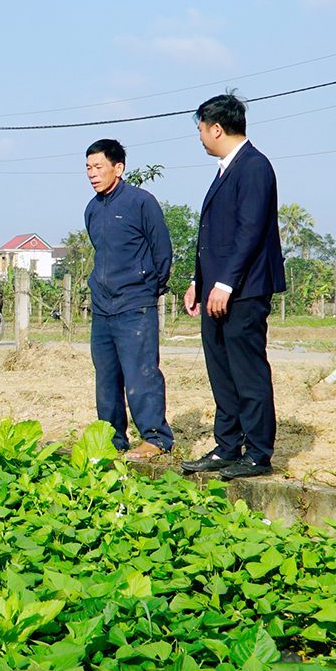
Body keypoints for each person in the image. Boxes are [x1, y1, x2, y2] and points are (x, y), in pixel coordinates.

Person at [181, 93, 285, 479]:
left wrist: (225, 283)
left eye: (200, 129)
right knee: (221, 370)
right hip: (217, 289)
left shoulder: (254, 167)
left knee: (247, 370)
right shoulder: (227, 169)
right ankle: (227, 446)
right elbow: (214, 235)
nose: (199, 137)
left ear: (216, 129)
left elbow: (249, 231)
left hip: (244, 289)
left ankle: (258, 454)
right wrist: (199, 281)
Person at [82, 138, 173, 460]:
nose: (92, 174)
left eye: (98, 167)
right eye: (88, 168)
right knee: (106, 377)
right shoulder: (92, 208)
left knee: (141, 373)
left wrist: (147, 288)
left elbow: (162, 252)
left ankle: (155, 438)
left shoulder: (141, 202)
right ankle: (112, 439)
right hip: (102, 307)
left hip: (135, 304)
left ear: (118, 168)